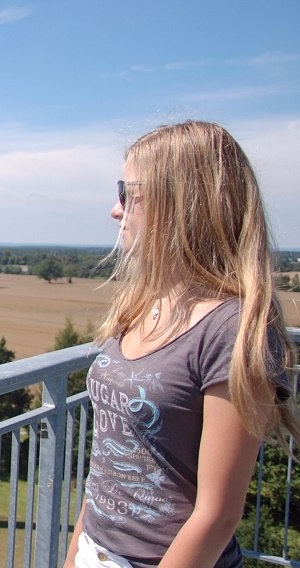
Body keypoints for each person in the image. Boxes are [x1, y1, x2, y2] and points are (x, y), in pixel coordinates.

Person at [64, 120, 300, 568]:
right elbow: (105, 468)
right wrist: (76, 553)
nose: (116, 211)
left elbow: (216, 516)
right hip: (96, 552)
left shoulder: (233, 328)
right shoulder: (142, 303)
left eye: (127, 193)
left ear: (182, 205)